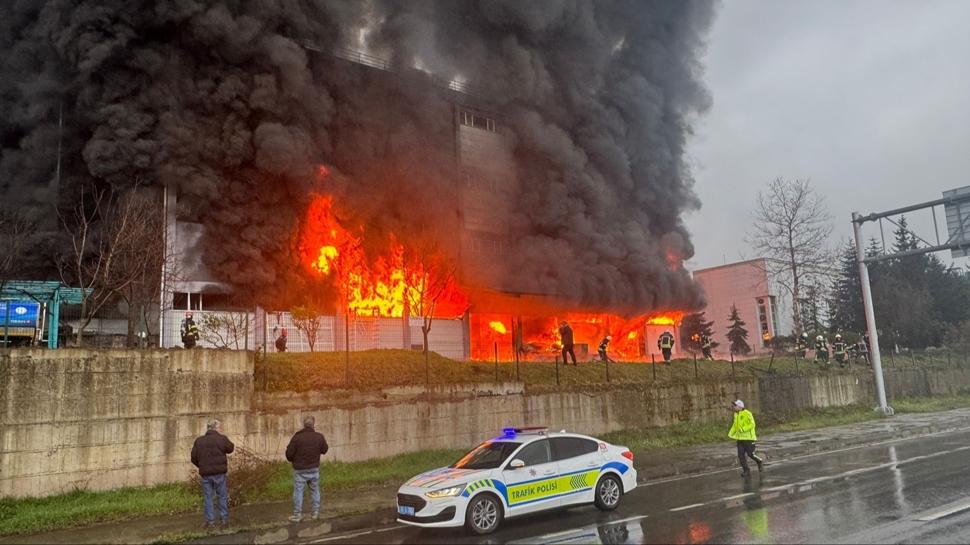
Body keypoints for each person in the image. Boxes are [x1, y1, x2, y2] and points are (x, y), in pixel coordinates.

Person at [190, 419, 235, 530]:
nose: (221, 429)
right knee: (222, 496)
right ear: (216, 428)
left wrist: (202, 466)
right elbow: (231, 448)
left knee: (208, 497)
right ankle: (224, 521)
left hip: (206, 475)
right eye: (220, 427)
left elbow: (193, 458)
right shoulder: (222, 439)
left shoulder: (199, 441)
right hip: (219, 473)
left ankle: (210, 522)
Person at [286, 415, 330, 522]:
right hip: (314, 468)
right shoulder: (319, 436)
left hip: (300, 470)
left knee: (298, 492)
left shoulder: (297, 437)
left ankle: (297, 515)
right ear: (313, 424)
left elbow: (289, 454)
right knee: (315, 490)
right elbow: (325, 450)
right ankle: (315, 513)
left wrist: (296, 460)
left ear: (303, 424)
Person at [728, 399, 763, 477]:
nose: (733, 407)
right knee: (740, 455)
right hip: (740, 439)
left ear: (740, 406)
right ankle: (746, 470)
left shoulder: (748, 413)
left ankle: (759, 461)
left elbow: (752, 424)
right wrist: (731, 433)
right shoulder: (735, 415)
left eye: (735, 406)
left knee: (750, 454)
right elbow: (735, 425)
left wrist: (743, 429)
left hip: (749, 438)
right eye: (733, 406)